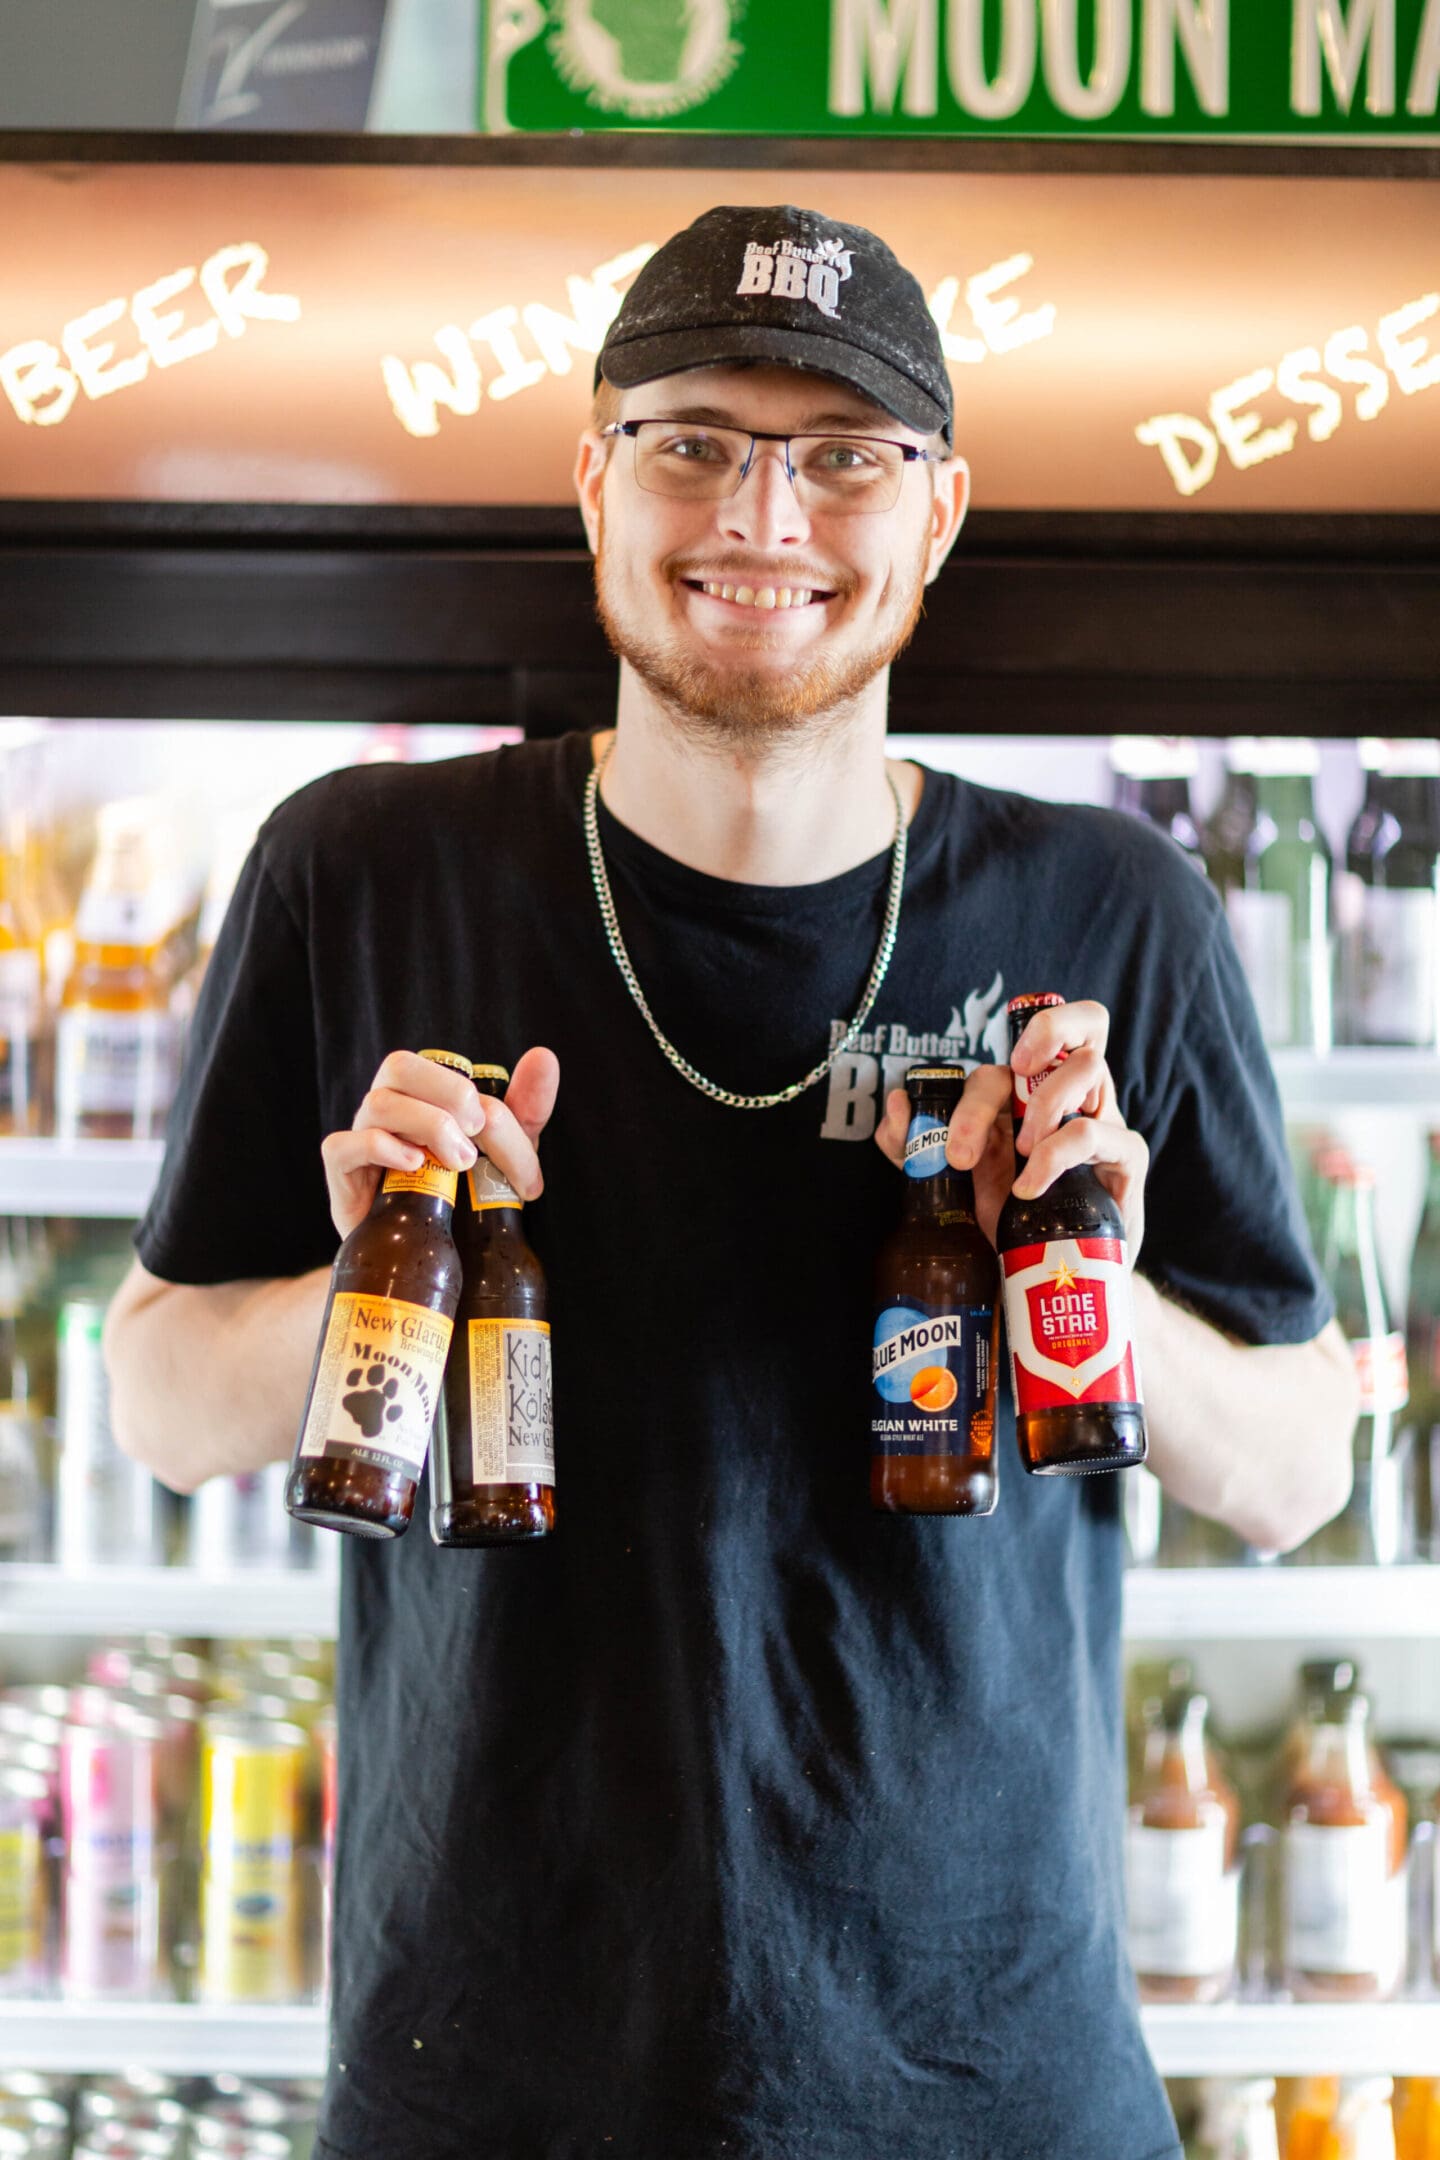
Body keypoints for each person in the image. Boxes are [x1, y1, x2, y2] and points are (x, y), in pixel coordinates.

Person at [105, 203, 1357, 2160]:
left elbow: (1294, 1471)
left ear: (939, 512)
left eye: (844, 457)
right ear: (591, 475)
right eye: (694, 438)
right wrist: (362, 1276)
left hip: (989, 2088)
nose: (765, 518)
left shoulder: (1113, 914)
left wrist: (1081, 1268)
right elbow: (161, 1400)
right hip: (491, 2079)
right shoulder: (359, 870)